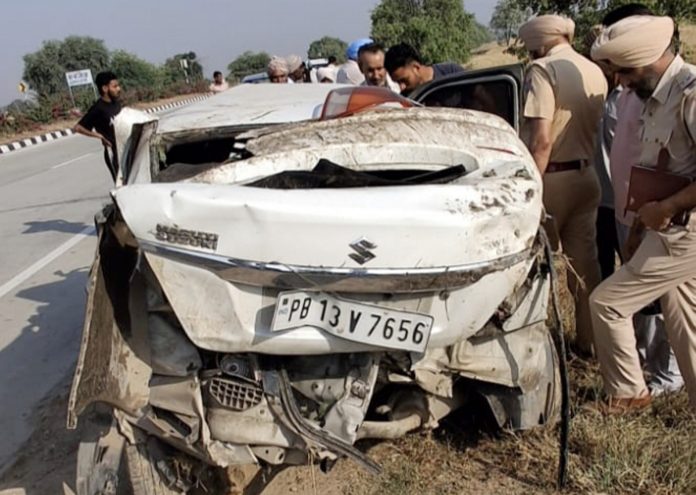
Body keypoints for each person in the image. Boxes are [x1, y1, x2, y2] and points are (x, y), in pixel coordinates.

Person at [590, 14, 696, 412]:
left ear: (650, 59)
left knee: (607, 304)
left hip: (684, 233)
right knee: (685, 322)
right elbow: (657, 170)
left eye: (627, 71)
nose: (621, 82)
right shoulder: (656, 98)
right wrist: (638, 226)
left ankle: (628, 394)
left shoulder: (689, 94)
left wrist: (667, 207)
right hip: (667, 231)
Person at [518, 15, 608, 356]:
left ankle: (532, 348)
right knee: (585, 269)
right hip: (586, 175)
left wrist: (529, 189)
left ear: (539, 42)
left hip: (552, 179)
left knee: (531, 267)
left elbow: (541, 141)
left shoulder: (542, 71)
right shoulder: (593, 69)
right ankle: (591, 344)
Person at [73, 71, 122, 181]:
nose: (119, 89)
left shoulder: (116, 103)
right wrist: (100, 136)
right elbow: (78, 128)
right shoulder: (98, 108)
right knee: (121, 184)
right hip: (112, 153)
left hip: (124, 149)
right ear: (105, 88)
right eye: (115, 86)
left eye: (118, 86)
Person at [384, 43, 463, 95]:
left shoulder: (451, 72)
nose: (402, 87)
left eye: (404, 80)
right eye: (397, 82)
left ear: (416, 67)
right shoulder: (408, 98)